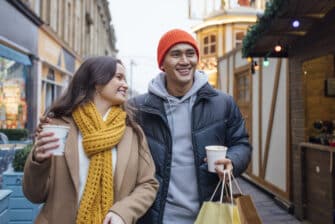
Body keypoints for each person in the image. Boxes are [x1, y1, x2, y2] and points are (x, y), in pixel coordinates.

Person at [130, 29, 252, 224]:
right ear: (162, 63)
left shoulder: (223, 103)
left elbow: (242, 145)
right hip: (157, 216)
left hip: (211, 214)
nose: (185, 61)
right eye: (176, 54)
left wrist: (232, 161)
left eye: (190, 53)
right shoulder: (139, 108)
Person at [23, 56, 159, 224]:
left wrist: (123, 212)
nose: (125, 84)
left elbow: (148, 184)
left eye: (124, 79)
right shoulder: (58, 126)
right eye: (118, 77)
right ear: (96, 82)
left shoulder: (132, 133)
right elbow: (34, 195)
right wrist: (38, 161)